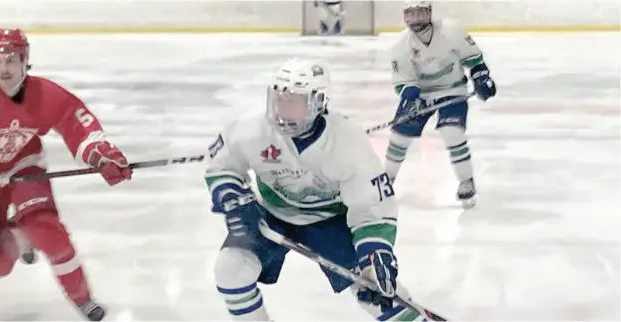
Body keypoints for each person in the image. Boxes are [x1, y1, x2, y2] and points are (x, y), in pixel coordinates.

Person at [0, 28, 133, 321]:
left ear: (25, 61)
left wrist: (97, 152)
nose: (3, 68)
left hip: (23, 168)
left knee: (46, 228)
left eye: (11, 60)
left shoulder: (44, 94)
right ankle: (21, 235)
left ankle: (82, 298)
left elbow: (78, 123)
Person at [205, 58, 425, 321]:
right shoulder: (251, 130)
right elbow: (222, 167)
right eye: (279, 98)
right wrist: (233, 198)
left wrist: (374, 255)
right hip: (270, 215)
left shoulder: (347, 141)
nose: (283, 109)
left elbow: (371, 206)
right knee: (230, 269)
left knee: (375, 292)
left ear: (318, 102)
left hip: (330, 221)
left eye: (294, 101)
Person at [385, 0, 497, 208]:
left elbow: (474, 60)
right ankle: (386, 182)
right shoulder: (400, 47)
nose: (416, 19)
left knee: (452, 132)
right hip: (422, 96)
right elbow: (403, 83)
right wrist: (410, 95)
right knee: (399, 137)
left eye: (420, 13)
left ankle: (466, 181)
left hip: (453, 91)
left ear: (429, 13)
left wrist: (481, 78)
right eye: (411, 14)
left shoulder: (451, 31)